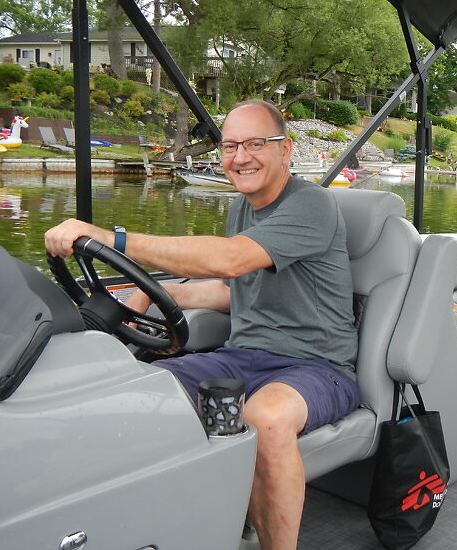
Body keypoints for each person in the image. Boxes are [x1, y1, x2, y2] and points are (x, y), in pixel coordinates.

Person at [44, 99, 360, 549]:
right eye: (231, 145)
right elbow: (237, 291)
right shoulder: (242, 210)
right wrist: (166, 295)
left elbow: (230, 262)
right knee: (136, 391)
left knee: (263, 418)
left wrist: (108, 237)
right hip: (241, 357)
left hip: (318, 367)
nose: (241, 157)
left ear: (285, 150)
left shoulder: (313, 205)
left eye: (256, 143)